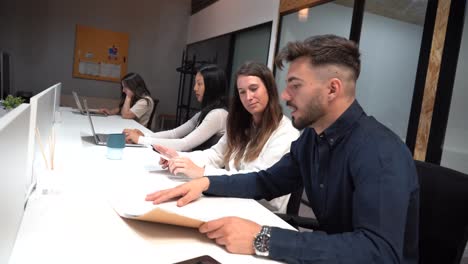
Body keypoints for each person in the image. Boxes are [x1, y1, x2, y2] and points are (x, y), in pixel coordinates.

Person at [146, 35, 419, 263]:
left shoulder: (380, 152)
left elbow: (380, 252)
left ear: (332, 89)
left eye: (295, 86)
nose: (285, 95)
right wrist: (205, 182)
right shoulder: (312, 140)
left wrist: (262, 238)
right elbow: (266, 181)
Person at [154, 62, 300, 213]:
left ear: (269, 89)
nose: (248, 97)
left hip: (260, 210)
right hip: (232, 200)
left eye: (254, 89)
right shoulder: (240, 122)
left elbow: (258, 182)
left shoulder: (286, 133)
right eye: (242, 92)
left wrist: (203, 174)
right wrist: (180, 158)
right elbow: (216, 154)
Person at [124, 65, 228, 151]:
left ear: (212, 86)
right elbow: (174, 133)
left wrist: (141, 140)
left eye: (199, 84)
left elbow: (184, 144)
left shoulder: (218, 114)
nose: (195, 88)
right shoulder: (205, 112)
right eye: (195, 83)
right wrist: (145, 136)